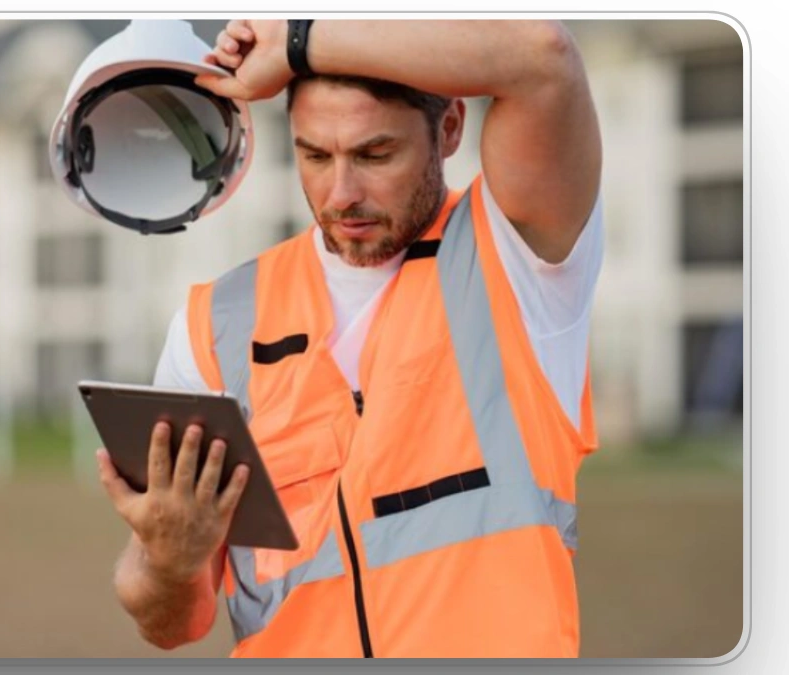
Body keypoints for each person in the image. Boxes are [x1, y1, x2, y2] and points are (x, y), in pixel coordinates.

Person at [94, 19, 604, 658]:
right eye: (314, 155)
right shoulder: (214, 325)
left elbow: (545, 57)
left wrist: (297, 40)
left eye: (374, 154)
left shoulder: (517, 258)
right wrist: (169, 564)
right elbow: (170, 624)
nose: (341, 194)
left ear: (449, 130)